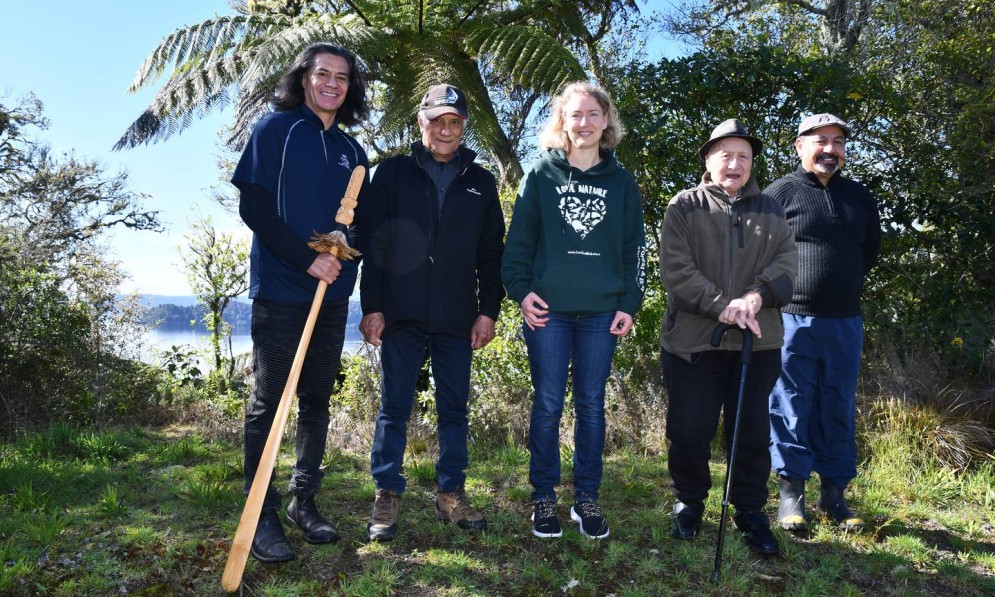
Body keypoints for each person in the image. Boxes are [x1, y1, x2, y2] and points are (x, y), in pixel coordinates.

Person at [231, 43, 370, 563]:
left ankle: (302, 501)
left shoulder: (356, 154)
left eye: (342, 76)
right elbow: (255, 206)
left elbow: (358, 228)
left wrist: (342, 268)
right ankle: (261, 514)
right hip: (281, 292)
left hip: (332, 298)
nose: (332, 83)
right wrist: (306, 260)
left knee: (315, 400)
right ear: (305, 79)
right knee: (270, 403)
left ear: (350, 86)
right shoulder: (275, 129)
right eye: (322, 74)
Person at [359, 84, 505, 542]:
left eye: (455, 122)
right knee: (394, 406)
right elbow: (375, 245)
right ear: (421, 122)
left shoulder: (480, 182)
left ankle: (451, 494)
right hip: (400, 314)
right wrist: (372, 307)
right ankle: (387, 492)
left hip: (457, 318)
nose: (445, 129)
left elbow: (491, 254)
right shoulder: (392, 173)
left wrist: (487, 312)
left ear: (463, 127)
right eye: (437, 120)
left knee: (454, 408)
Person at [502, 81, 646, 540]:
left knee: (591, 405)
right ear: (562, 122)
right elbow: (518, 245)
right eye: (574, 115)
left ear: (607, 122)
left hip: (603, 314)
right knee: (546, 405)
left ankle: (587, 498)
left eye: (592, 114)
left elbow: (634, 249)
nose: (583, 123)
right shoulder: (541, 174)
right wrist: (521, 292)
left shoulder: (622, 182)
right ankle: (543, 498)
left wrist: (629, 303)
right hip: (550, 313)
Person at [659, 119, 797, 556]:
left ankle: (750, 512)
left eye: (743, 156)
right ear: (708, 159)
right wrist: (724, 305)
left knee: (753, 433)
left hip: (759, 344)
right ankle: (689, 503)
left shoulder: (772, 209)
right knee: (689, 429)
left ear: (752, 163)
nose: (734, 164)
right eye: (725, 155)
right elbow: (677, 272)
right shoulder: (683, 206)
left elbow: (787, 265)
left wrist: (754, 298)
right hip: (694, 342)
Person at [767, 113, 881, 533]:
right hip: (791, 319)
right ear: (799, 145)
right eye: (820, 140)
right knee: (791, 405)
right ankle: (790, 494)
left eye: (837, 142)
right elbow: (761, 256)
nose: (830, 149)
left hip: (844, 322)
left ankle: (834, 494)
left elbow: (870, 251)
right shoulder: (780, 193)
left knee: (837, 406)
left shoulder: (859, 197)